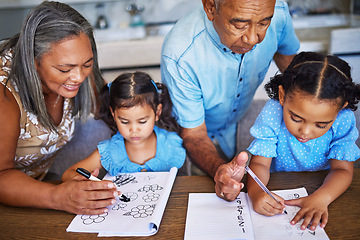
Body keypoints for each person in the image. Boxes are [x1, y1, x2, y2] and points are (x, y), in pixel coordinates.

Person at [161, 0, 300, 200]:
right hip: (195, 142)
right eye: (239, 24)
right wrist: (220, 170)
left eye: (263, 23)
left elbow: (293, 73)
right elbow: (194, 135)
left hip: (238, 128)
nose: (253, 39)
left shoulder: (278, 12)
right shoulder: (180, 54)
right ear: (210, 7)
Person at [0, 1, 117, 215]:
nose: (79, 76)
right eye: (65, 69)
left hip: (43, 186)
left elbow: (109, 110)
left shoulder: (77, 67)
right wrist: (59, 197)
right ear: (33, 61)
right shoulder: (5, 92)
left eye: (87, 64)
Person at [246, 51, 360, 231]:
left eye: (321, 124)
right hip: (277, 184)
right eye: (296, 119)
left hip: (324, 185)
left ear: (340, 109)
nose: (305, 132)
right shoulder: (273, 112)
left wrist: (322, 198)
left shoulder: (344, 119)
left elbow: (342, 170)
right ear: (282, 96)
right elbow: (260, 163)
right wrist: (256, 192)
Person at [62, 72, 186, 181]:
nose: (134, 130)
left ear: (157, 112)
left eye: (142, 121)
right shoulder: (109, 151)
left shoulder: (172, 144)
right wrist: (85, 182)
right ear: (113, 114)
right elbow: (68, 174)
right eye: (125, 122)